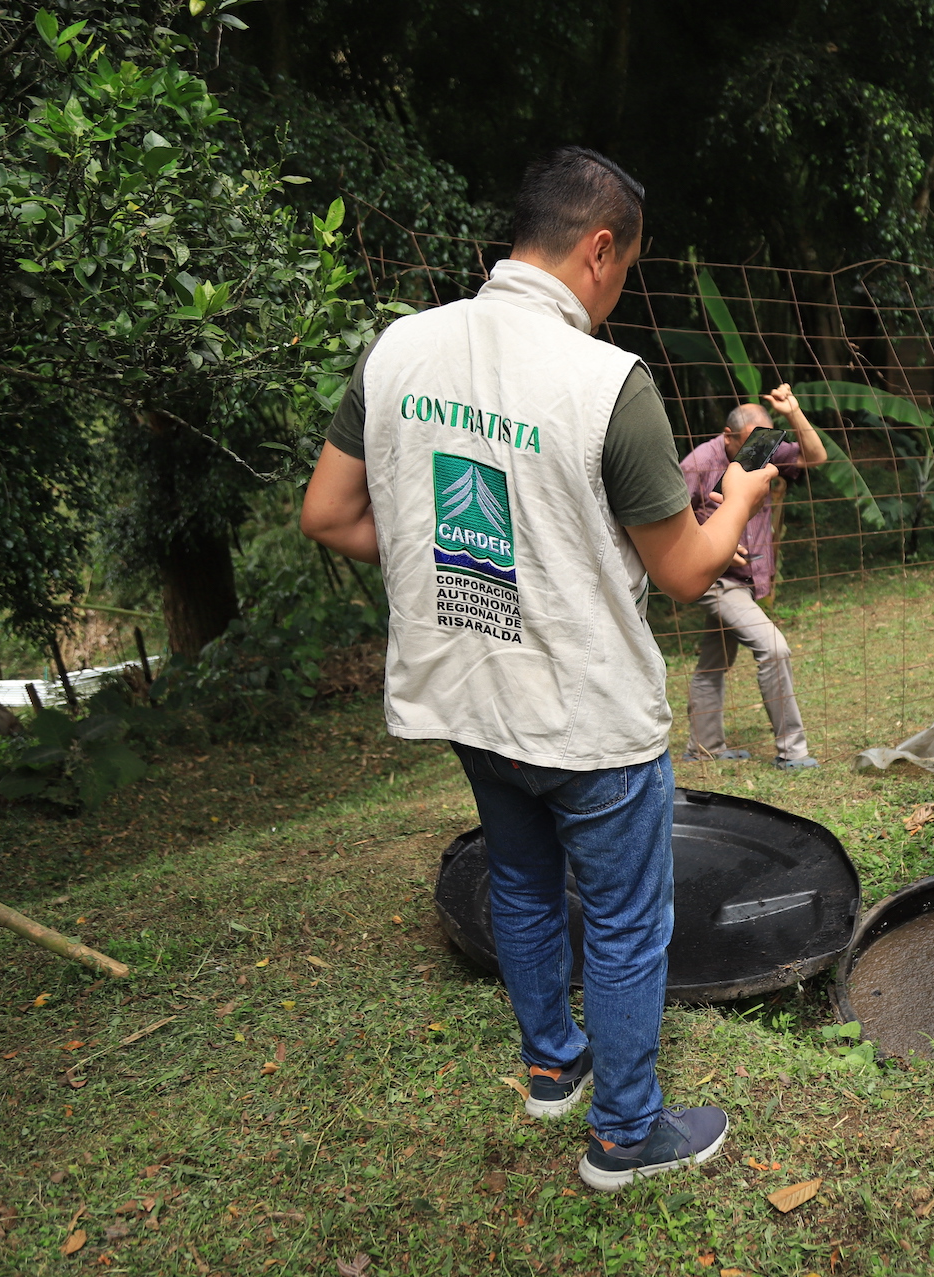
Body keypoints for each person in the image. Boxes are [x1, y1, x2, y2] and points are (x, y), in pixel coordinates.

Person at [298, 147, 770, 1192]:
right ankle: (624, 1135)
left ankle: (552, 1065)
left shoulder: (399, 350)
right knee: (622, 919)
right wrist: (739, 490)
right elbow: (689, 569)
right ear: (599, 248)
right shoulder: (605, 382)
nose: (620, 291)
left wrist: (445, 544)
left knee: (517, 876)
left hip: (469, 691)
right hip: (582, 711)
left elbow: (330, 514)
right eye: (627, 268)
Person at [679, 390, 826, 769]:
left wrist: (793, 412)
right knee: (774, 649)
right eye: (754, 441)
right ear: (729, 436)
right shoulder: (698, 463)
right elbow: (672, 521)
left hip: (746, 580)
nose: (762, 449)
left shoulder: (760, 449)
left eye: (768, 439)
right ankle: (793, 752)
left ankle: (703, 747)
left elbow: (815, 456)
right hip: (717, 581)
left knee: (714, 662)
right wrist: (717, 546)